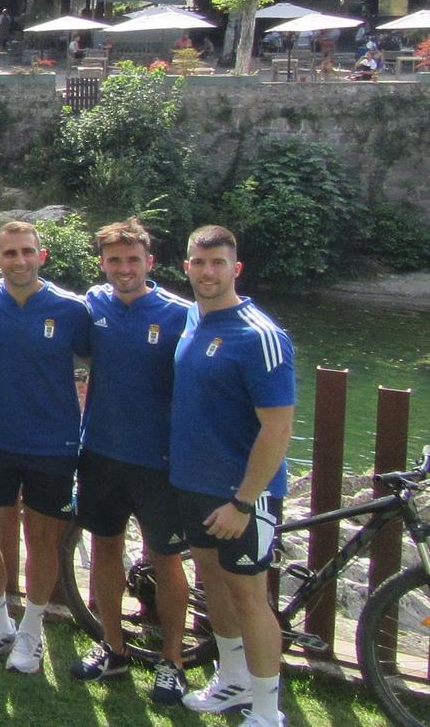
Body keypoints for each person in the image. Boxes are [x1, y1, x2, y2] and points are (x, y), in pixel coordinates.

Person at [0, 221, 91, 674]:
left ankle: (31, 631)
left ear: (42, 256)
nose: (20, 260)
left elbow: (106, 358)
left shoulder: (71, 309)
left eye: (27, 251)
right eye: (9, 253)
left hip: (53, 446)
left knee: (41, 540)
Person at [172, 226, 296, 727]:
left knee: (250, 597)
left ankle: (268, 712)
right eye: (199, 263)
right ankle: (232, 680)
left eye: (218, 263)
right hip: (194, 486)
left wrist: (243, 502)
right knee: (214, 585)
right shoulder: (191, 319)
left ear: (235, 268)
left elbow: (278, 427)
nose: (208, 272)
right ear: (186, 267)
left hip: (242, 497)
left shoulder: (260, 335)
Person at [73, 218, 193, 704]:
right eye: (115, 260)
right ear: (102, 264)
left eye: (133, 260)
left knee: (166, 559)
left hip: (157, 461)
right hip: (99, 451)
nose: (124, 268)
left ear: (150, 263)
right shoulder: (92, 303)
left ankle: (172, 662)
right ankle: (115, 649)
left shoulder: (179, 313)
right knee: (106, 548)